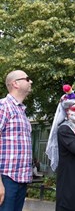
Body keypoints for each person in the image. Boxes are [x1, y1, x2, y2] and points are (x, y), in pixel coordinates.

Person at [0, 70, 33, 211]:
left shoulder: (21, 112)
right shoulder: (3, 106)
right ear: (15, 84)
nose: (30, 81)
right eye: (27, 79)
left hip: (21, 179)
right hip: (6, 178)